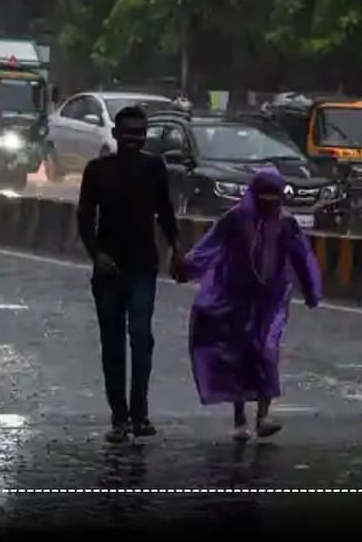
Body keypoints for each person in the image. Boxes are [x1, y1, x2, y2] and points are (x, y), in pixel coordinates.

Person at [174, 167, 322, 440]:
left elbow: (302, 256)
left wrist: (312, 290)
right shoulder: (236, 219)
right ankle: (240, 418)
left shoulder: (287, 224)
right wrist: (187, 268)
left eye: (274, 196)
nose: (269, 202)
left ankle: (263, 416)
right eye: (264, 195)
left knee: (267, 351)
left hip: (272, 299)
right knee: (237, 354)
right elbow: (210, 245)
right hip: (236, 297)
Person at [77, 105, 181, 443]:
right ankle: (118, 418)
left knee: (140, 337)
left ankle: (140, 414)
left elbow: (165, 212)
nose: (134, 140)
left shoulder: (155, 169)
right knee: (112, 344)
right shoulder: (97, 170)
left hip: (143, 267)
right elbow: (84, 219)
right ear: (117, 135)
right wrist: (97, 255)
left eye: (140, 133)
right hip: (108, 271)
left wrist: (177, 249)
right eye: (129, 133)